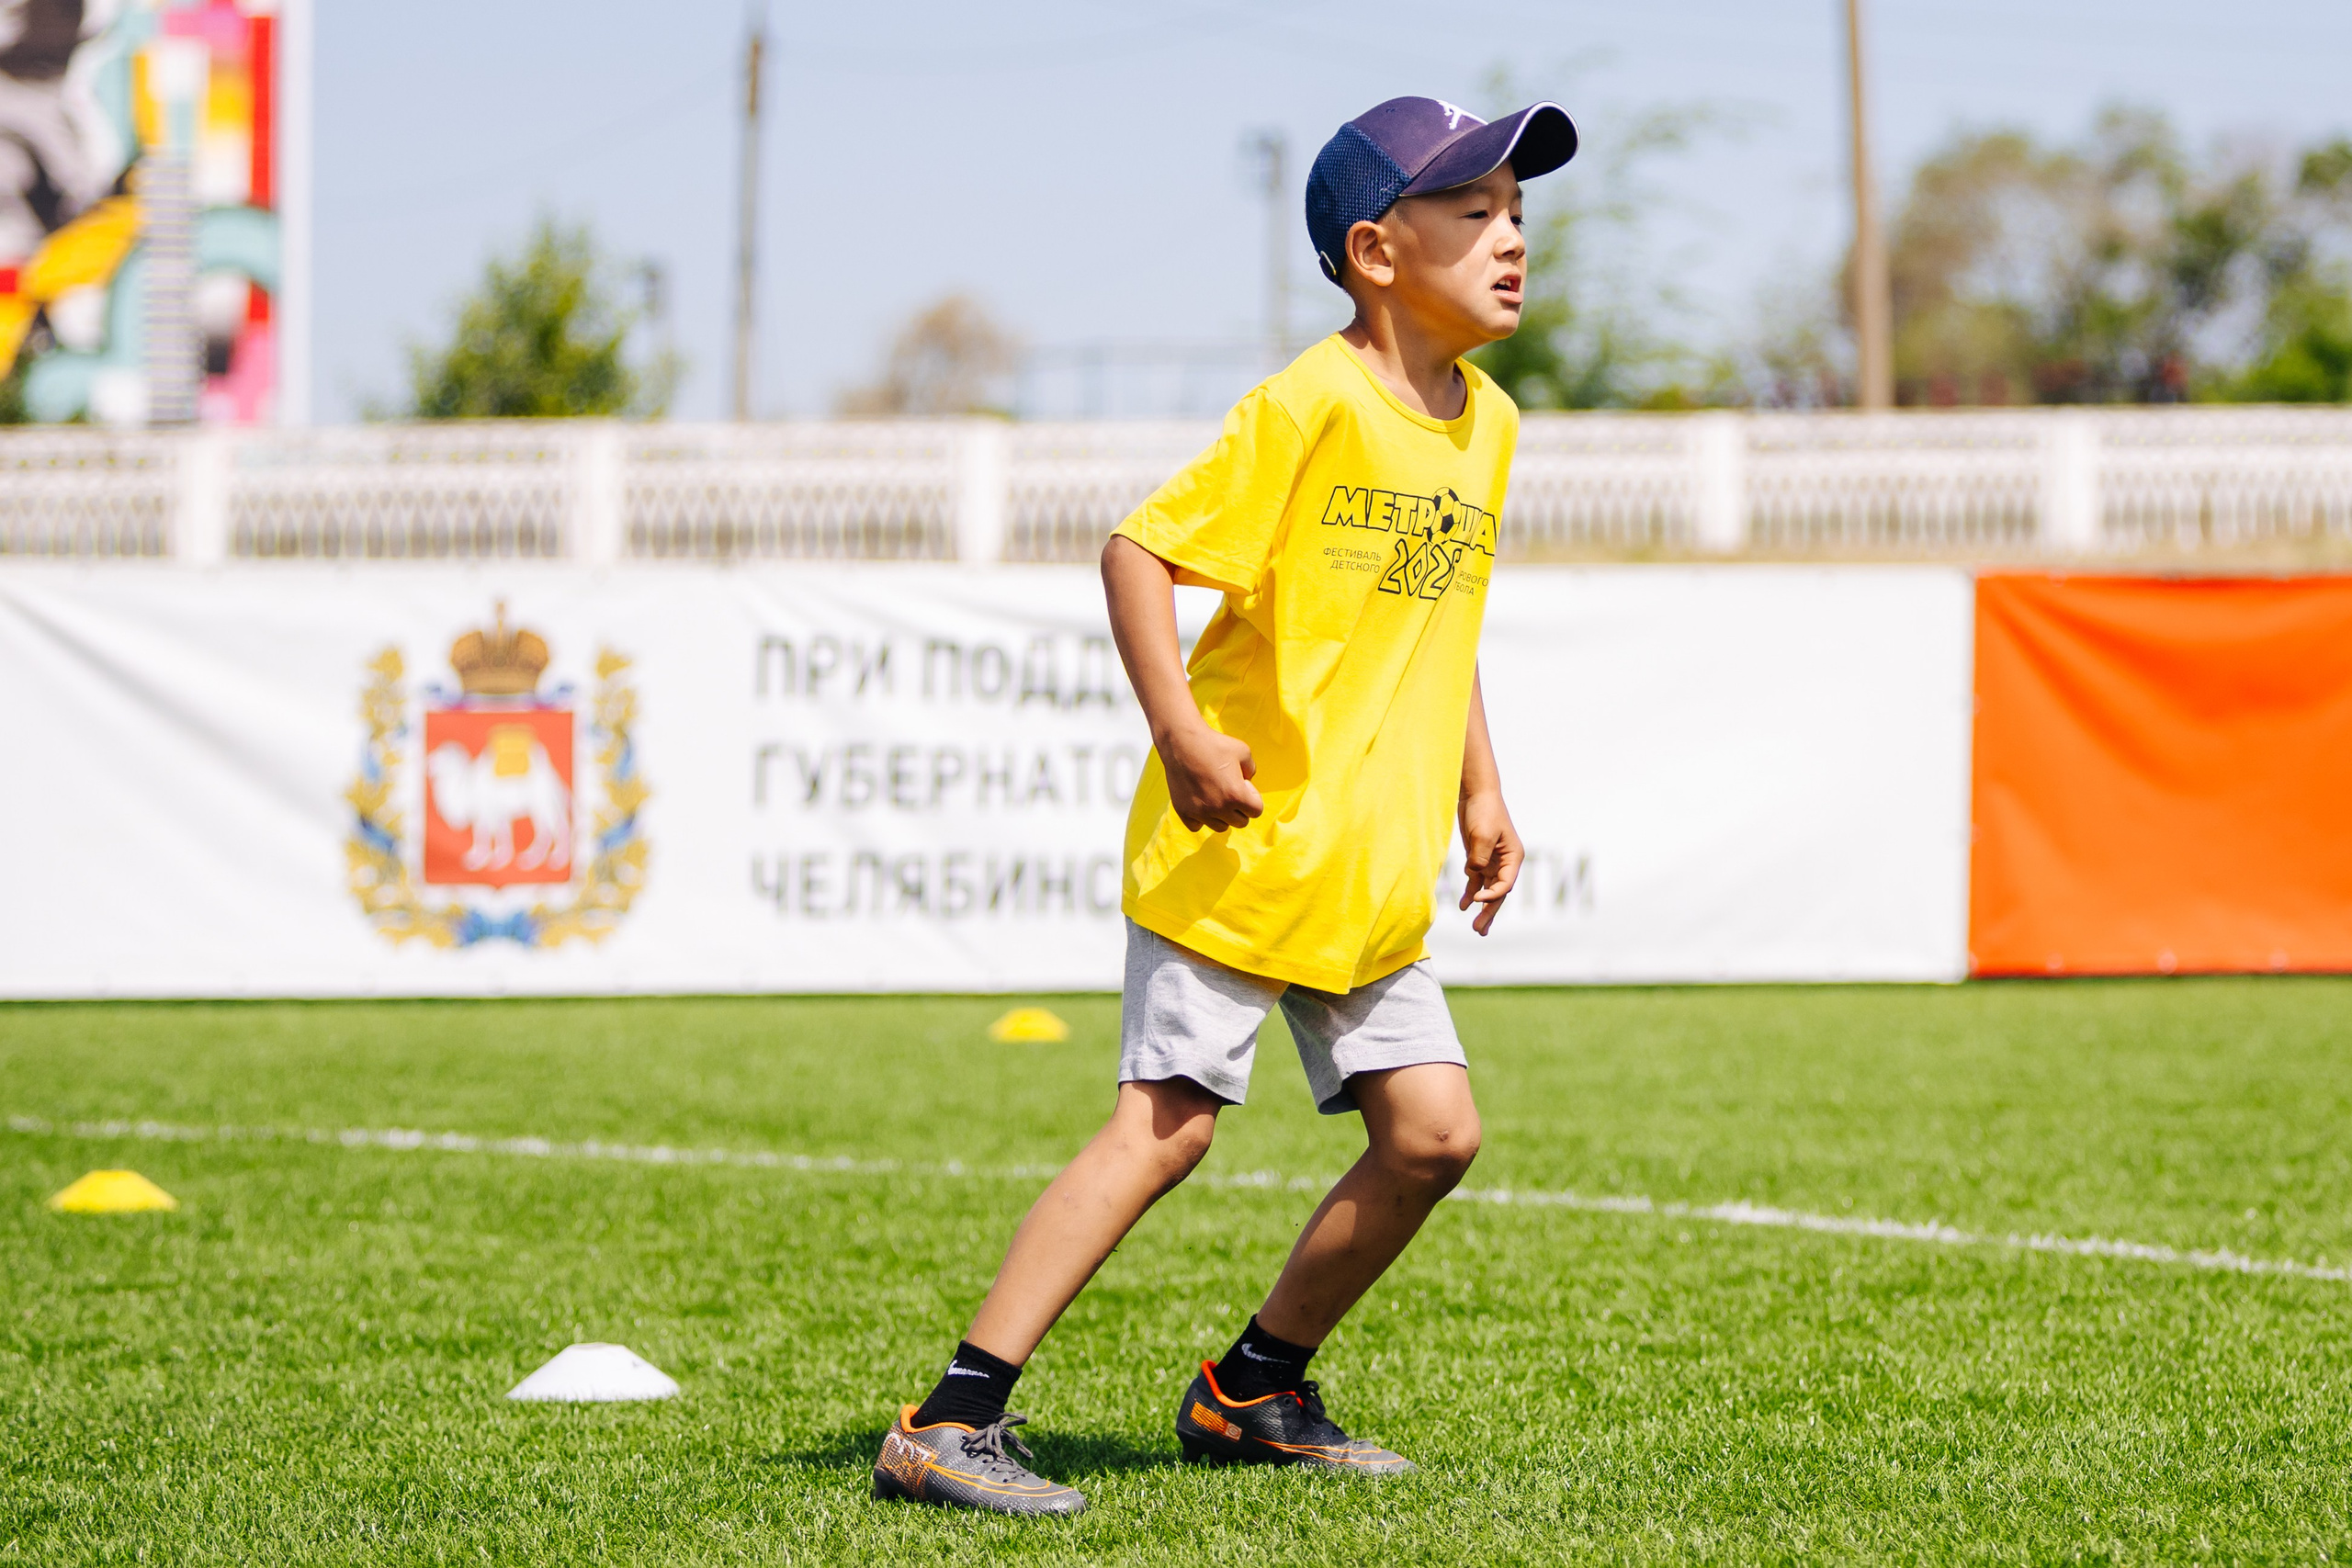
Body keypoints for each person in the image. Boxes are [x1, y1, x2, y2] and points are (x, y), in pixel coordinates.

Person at [870, 94, 1577, 1517]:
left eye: (1518, 212)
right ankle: (948, 1421)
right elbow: (1139, 552)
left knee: (1433, 1136)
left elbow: (1439, 623)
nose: (1512, 238)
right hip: (1246, 847)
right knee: (1169, 1128)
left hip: (1365, 874)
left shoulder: (1489, 423)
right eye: (1474, 211)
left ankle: (1252, 1391)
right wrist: (1181, 731)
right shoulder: (1310, 404)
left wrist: (1483, 787)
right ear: (1376, 251)